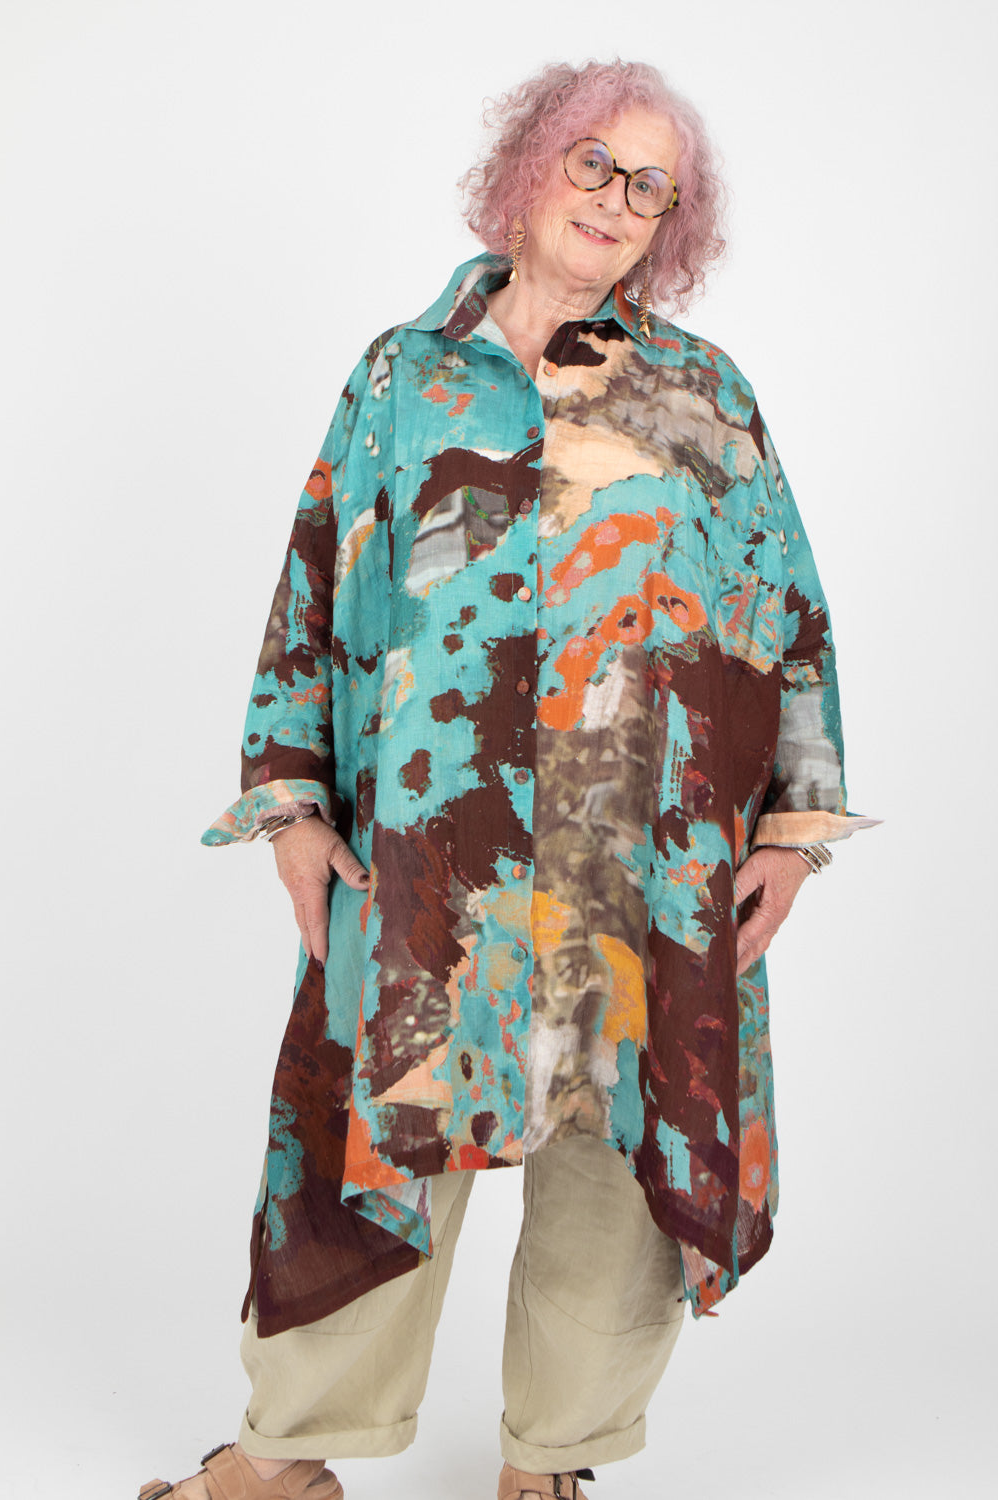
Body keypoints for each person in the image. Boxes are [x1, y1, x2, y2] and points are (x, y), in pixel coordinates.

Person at [141, 57, 874, 1500]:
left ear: (673, 220)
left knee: (617, 1159)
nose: (616, 199)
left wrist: (793, 827)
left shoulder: (705, 396)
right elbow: (314, 586)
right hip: (433, 847)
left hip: (645, 857)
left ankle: (553, 1463)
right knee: (379, 1134)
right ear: (532, 165)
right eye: (593, 161)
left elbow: (788, 614)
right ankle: (286, 1459)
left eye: (650, 185)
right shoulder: (399, 376)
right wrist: (291, 803)